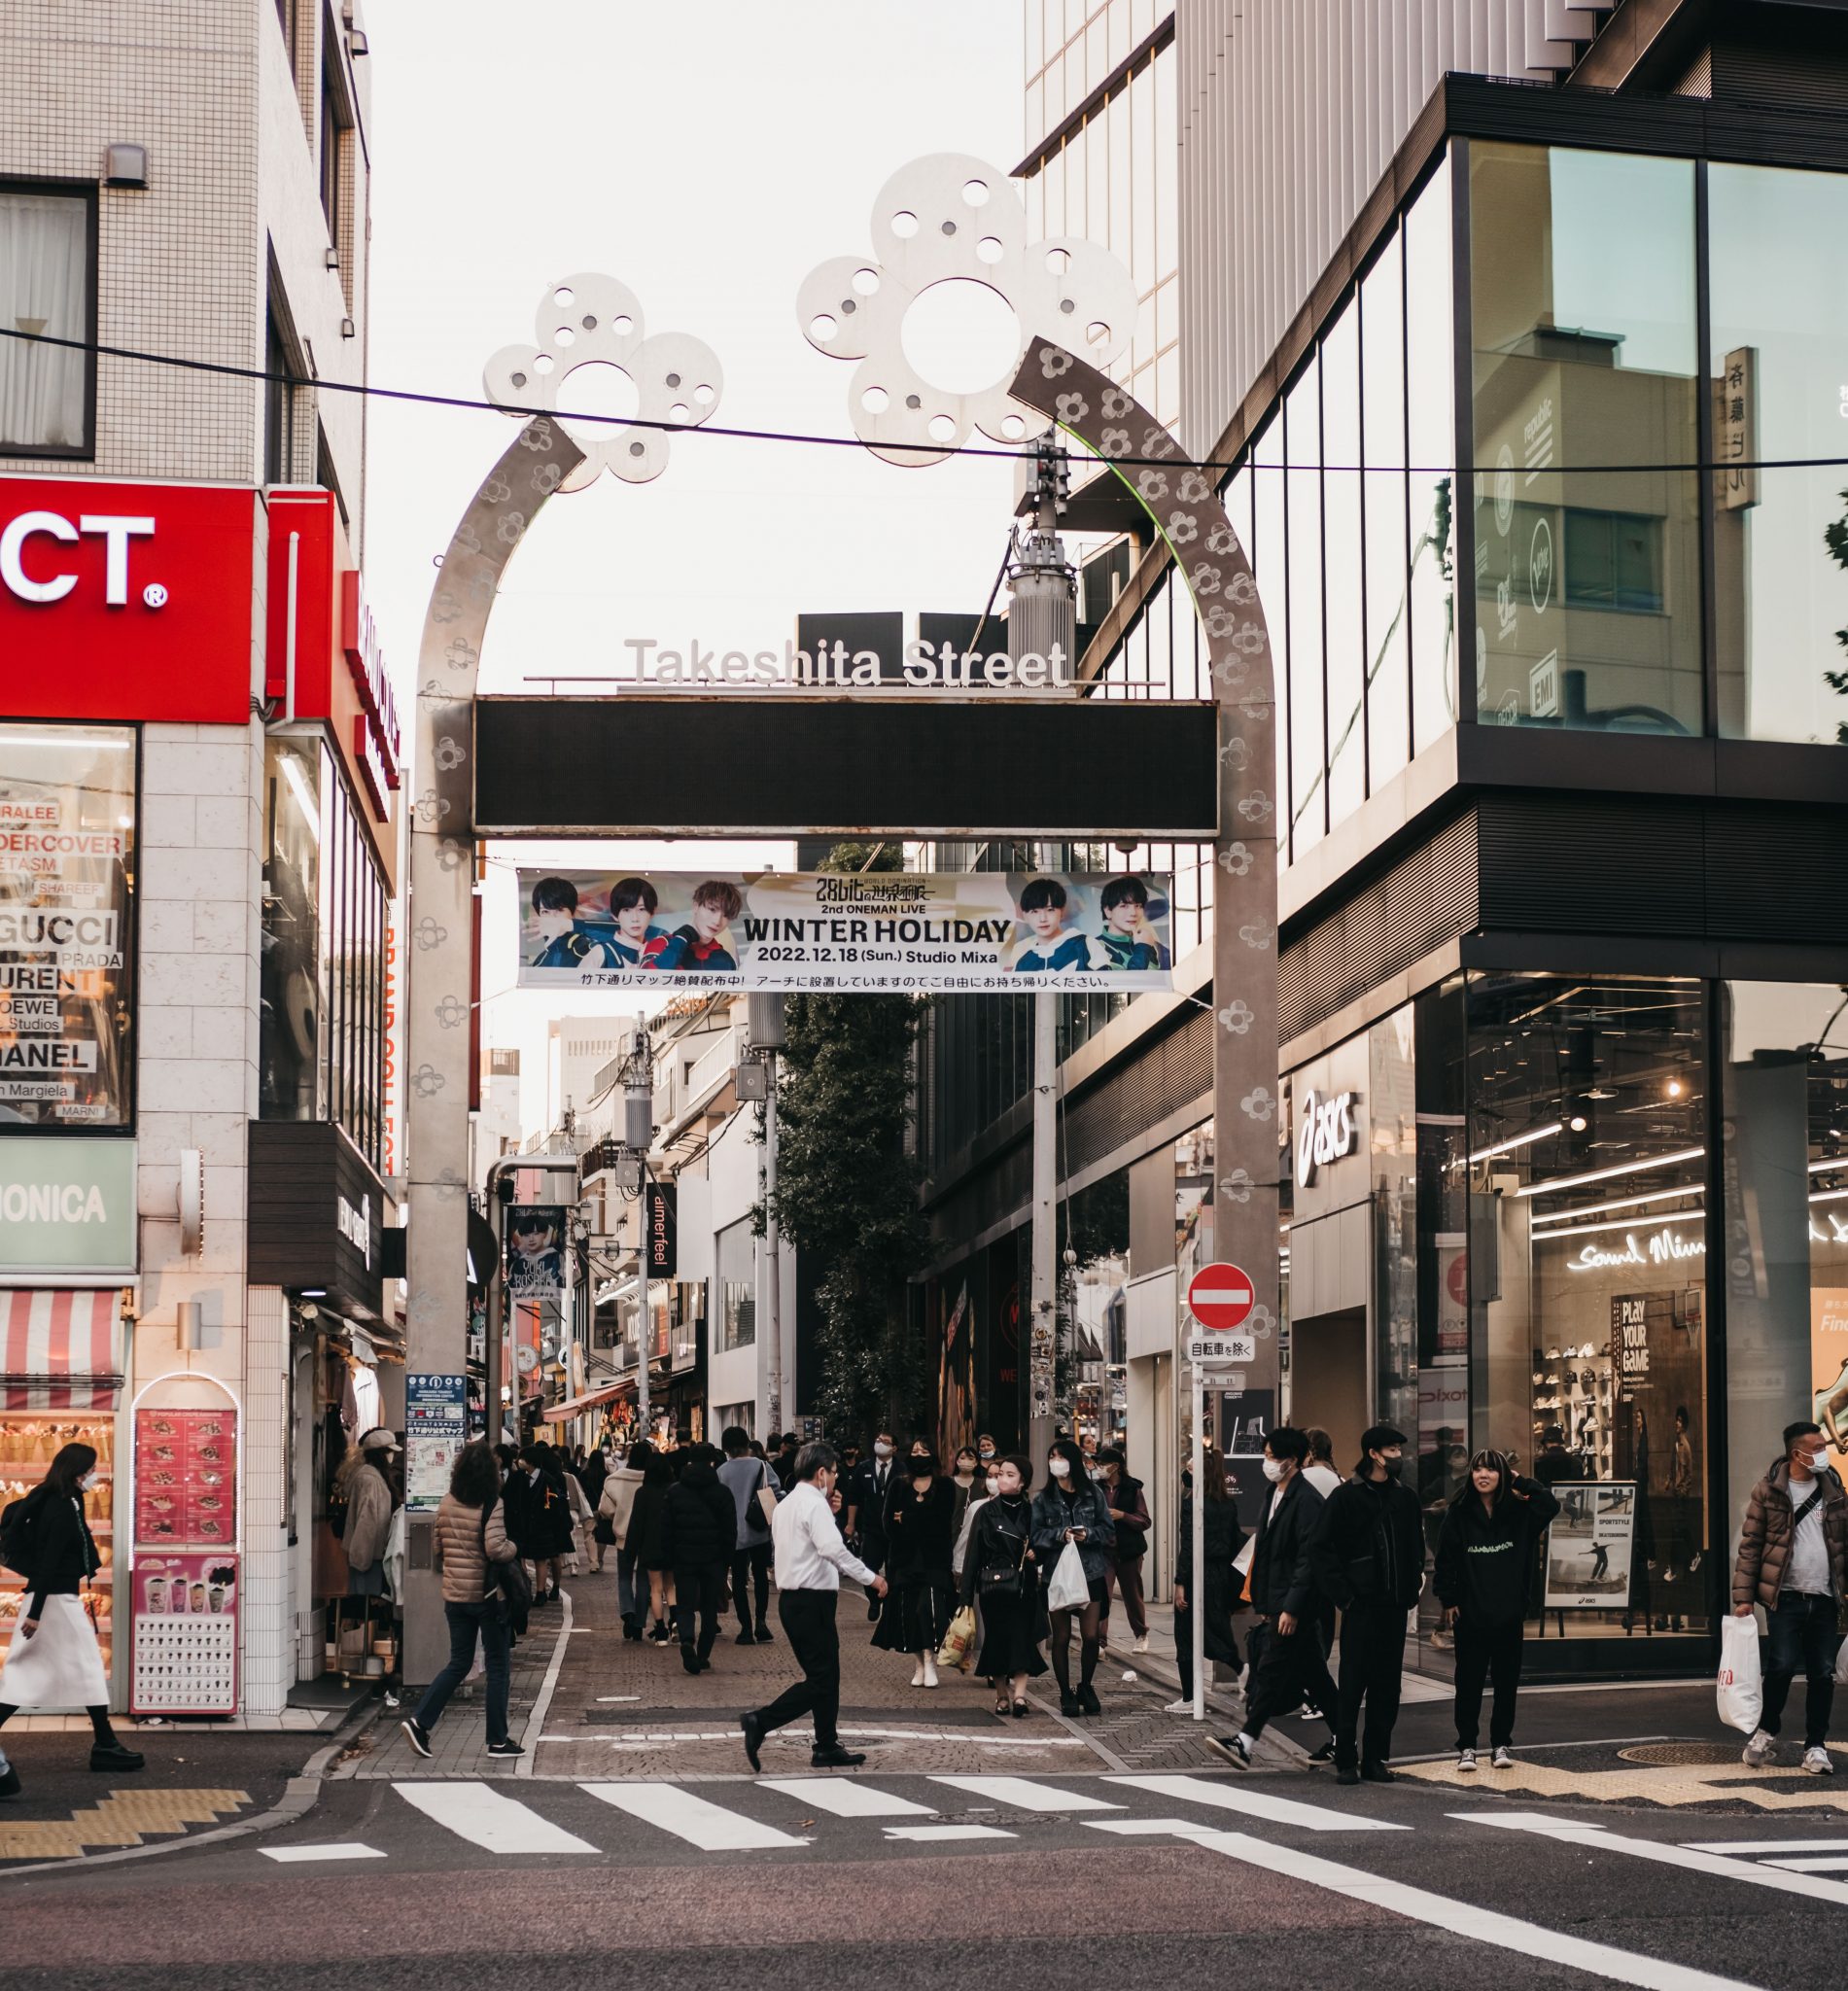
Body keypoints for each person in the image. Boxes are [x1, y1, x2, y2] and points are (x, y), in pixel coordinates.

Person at [0, 1442, 142, 1791]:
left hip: (55, 1598)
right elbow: (49, 1560)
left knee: (72, 1667)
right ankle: (105, 1745)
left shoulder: (59, 1498)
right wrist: (34, 1613)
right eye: (92, 1469)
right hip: (53, 1602)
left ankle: (106, 1743)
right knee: (35, 1671)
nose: (95, 1474)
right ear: (78, 1471)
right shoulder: (62, 1507)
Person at [741, 1444, 889, 1772]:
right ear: (822, 1473)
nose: (837, 1479)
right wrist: (872, 1578)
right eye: (835, 1472)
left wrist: (831, 1512)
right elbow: (831, 1549)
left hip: (796, 1600)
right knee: (821, 1679)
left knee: (827, 1674)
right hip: (811, 1601)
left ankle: (826, 1744)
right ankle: (760, 1721)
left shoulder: (787, 1504)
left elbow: (807, 1545)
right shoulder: (813, 1505)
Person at [1209, 1426, 1337, 1771]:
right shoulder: (1273, 1493)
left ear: (1291, 1461)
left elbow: (1308, 1559)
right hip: (1276, 1601)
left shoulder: (1307, 1500)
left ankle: (1245, 1742)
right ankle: (1346, 1739)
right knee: (1317, 1678)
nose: (1266, 1462)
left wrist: (1291, 1608)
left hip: (1294, 1606)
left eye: (1271, 1457)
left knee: (1269, 1673)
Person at [1311, 1423, 1426, 1787]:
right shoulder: (1347, 1497)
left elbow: (1414, 1549)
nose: (1398, 1457)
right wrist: (1344, 1596)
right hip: (1360, 1608)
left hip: (1394, 1607)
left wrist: (1410, 1590)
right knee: (1352, 1683)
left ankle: (1376, 1758)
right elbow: (1320, 1549)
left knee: (1387, 1685)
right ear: (1374, 1454)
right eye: (1392, 1450)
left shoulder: (1405, 1498)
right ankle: (1346, 1757)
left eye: (1399, 1450)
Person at [1733, 1418, 1848, 1774]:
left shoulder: (1833, 1487)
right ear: (1796, 1453)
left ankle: (1815, 1746)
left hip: (1825, 1596)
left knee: (1822, 1673)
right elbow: (1751, 1546)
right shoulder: (1769, 1490)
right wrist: (1744, 1597)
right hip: (1785, 1596)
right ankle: (1766, 1732)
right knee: (1780, 1666)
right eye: (1816, 1448)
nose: (1823, 1453)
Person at [1434, 1448, 1559, 1771]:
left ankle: (1501, 1744)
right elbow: (1445, 1558)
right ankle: (1467, 1747)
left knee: (1506, 1683)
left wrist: (1523, 1481)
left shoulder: (1519, 1513)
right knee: (1469, 1683)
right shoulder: (1459, 1512)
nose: (1483, 1475)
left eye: (1491, 1470)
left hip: (1508, 1613)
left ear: (1504, 1476)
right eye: (1478, 1470)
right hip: (1470, 1614)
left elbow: (1550, 1504)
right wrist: (1448, 1599)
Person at [401, 1441, 523, 1760]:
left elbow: (438, 1551)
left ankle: (420, 1722)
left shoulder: (447, 1502)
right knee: (498, 1665)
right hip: (487, 1596)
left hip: (455, 1596)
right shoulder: (492, 1503)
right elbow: (496, 1548)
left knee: (459, 1663)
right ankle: (497, 1740)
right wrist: (514, 1547)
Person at [1030, 1437, 1116, 1718]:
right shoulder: (1043, 1499)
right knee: (1062, 1637)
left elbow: (1108, 1531)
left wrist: (1087, 1534)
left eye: (1061, 1456)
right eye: (1052, 1456)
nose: (1056, 1461)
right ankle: (1065, 1691)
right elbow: (1035, 1536)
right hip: (1057, 1574)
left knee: (1091, 1636)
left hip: (1090, 1571)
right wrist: (1060, 1535)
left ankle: (1086, 1685)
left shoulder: (1093, 1494)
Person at [959, 1454, 1046, 1715]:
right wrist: (965, 1597)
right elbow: (972, 1554)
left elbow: (1044, 1543)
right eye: (1000, 1474)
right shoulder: (985, 1511)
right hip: (993, 1587)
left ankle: (1019, 1696)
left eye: (1010, 1475)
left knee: (1022, 1638)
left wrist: (1036, 1553)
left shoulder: (1032, 1511)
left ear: (1023, 1483)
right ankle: (1001, 1695)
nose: (1002, 1479)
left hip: (1023, 1587)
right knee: (996, 1640)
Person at [873, 1450, 958, 1688]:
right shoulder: (898, 1485)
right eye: (915, 1451)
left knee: (928, 1609)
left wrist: (908, 1517)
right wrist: (909, 1520)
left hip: (934, 1559)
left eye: (925, 1451)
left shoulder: (944, 1485)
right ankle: (919, 1663)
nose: (919, 1455)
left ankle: (930, 1658)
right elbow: (889, 1522)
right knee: (907, 1613)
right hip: (904, 1559)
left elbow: (941, 1521)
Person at [1170, 1443, 1246, 1711]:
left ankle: (1191, 1696)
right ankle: (1238, 1669)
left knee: (1187, 1635)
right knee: (1214, 1628)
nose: (1185, 1471)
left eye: (1189, 1468)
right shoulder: (1227, 1503)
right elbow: (1236, 1539)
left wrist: (1180, 1582)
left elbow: (1188, 1545)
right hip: (1220, 1574)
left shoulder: (1192, 1502)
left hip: (1197, 1575)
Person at [663, 1443, 735, 1674]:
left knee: (684, 1604)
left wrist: (670, 1555)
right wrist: (727, 1559)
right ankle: (703, 1654)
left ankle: (686, 1640)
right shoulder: (722, 1492)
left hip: (684, 1557)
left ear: (689, 1462)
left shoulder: (674, 1491)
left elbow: (666, 1528)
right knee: (708, 1607)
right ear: (712, 1462)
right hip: (714, 1559)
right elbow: (730, 1530)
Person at [717, 1426, 778, 1644]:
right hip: (759, 1531)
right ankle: (761, 1622)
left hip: (734, 1534)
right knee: (761, 1577)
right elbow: (776, 1492)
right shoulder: (762, 1466)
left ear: (726, 1448)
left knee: (740, 1581)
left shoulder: (722, 1471)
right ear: (747, 1444)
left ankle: (746, 1629)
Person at [1097, 1447, 1151, 1653]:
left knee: (1133, 1596)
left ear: (1116, 1466)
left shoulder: (1133, 1489)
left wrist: (1123, 1516)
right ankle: (1100, 1642)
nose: (1100, 1468)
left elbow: (1145, 1520)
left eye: (1103, 1464)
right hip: (1103, 1551)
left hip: (1129, 1551)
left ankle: (1141, 1634)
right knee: (1102, 1596)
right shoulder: (1096, 1489)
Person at [598, 1439, 650, 1638]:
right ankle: (639, 1622)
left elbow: (605, 1509)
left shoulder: (615, 1479)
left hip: (624, 1535)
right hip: (648, 1536)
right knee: (645, 1579)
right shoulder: (653, 1478)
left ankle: (627, 1611)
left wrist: (617, 1516)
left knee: (624, 1576)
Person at [844, 1431, 896, 1619]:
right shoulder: (863, 1468)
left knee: (894, 1569)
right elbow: (854, 1498)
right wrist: (850, 1523)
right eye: (878, 1440)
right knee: (868, 1567)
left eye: (886, 1441)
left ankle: (890, 1604)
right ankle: (874, 1601)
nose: (881, 1443)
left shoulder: (901, 1469)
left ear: (894, 1448)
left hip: (894, 1530)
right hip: (871, 1529)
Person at [644, 878, 744, 972]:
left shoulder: (726, 961)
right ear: (696, 906)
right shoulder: (662, 943)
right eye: (712, 910)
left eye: (726, 915)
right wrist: (679, 942)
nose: (717, 921)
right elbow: (646, 982)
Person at [630, 1444, 676, 1641]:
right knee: (671, 1586)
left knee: (655, 1588)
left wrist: (632, 1549)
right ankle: (675, 1621)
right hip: (671, 1544)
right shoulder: (674, 1491)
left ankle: (660, 1630)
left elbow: (636, 1524)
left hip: (650, 1545)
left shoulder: (642, 1493)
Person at [528, 874, 620, 971]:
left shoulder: (592, 949)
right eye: (545, 912)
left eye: (560, 910)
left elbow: (629, 935)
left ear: (573, 912)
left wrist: (570, 925)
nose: (553, 919)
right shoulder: (539, 962)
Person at [1009, 877, 1090, 974]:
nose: (1043, 919)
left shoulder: (1085, 946)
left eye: (1050, 910)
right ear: (1024, 915)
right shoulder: (1022, 962)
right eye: (1035, 911)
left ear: (1062, 911)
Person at [1094, 875, 1167, 970]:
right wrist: (1143, 948)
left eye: (1138, 906)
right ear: (1108, 911)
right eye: (1124, 906)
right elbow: (1129, 982)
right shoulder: (1093, 947)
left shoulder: (1146, 943)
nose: (1133, 913)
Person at [605, 875, 664, 966]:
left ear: (653, 912)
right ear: (615, 915)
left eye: (641, 909)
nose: (635, 918)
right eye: (627, 910)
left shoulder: (660, 954)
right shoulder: (602, 954)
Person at [948, 1445, 982, 1552]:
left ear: (976, 1463)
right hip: (951, 1536)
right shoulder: (948, 1483)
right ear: (957, 1461)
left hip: (975, 1537)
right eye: (962, 1458)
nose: (966, 1461)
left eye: (970, 1458)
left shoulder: (983, 1484)